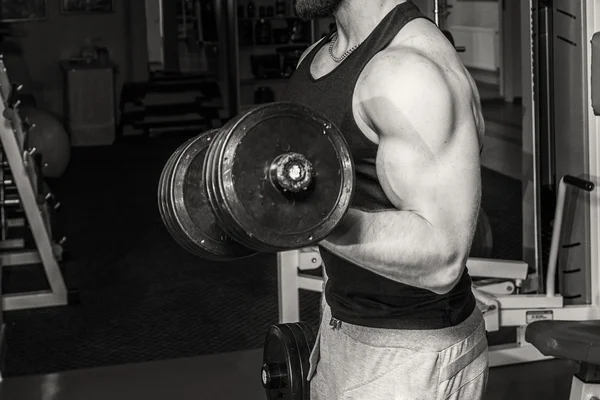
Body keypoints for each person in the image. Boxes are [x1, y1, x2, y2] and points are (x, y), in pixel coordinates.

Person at [281, 0, 488, 399]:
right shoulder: (318, 57)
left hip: (409, 353)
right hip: (343, 324)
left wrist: (300, 217)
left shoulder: (408, 72)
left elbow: (443, 256)